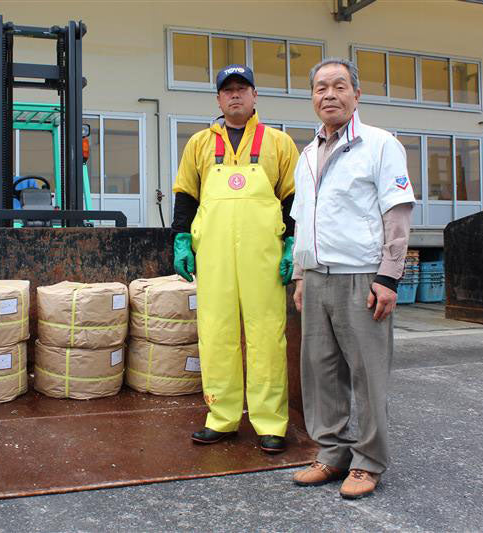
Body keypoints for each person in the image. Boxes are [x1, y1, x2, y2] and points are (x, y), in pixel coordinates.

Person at [290, 58, 415, 499]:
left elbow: (396, 215)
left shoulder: (380, 145)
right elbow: (303, 222)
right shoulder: (306, 155)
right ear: (312, 98)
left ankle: (368, 461)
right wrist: (301, 274)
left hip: (363, 275)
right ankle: (331, 452)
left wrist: (389, 277)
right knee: (320, 373)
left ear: (356, 95)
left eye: (339, 86)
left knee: (367, 374)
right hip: (318, 277)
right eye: (320, 87)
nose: (329, 94)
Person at [171, 64, 299, 454]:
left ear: (255, 96)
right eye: (228, 90)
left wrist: (294, 243)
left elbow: (294, 199)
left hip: (264, 254)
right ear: (218, 99)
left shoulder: (279, 142)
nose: (235, 95)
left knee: (266, 336)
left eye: (242, 88)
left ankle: (270, 422)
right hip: (214, 252)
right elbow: (185, 195)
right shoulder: (199, 143)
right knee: (216, 333)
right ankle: (221, 417)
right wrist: (180, 238)